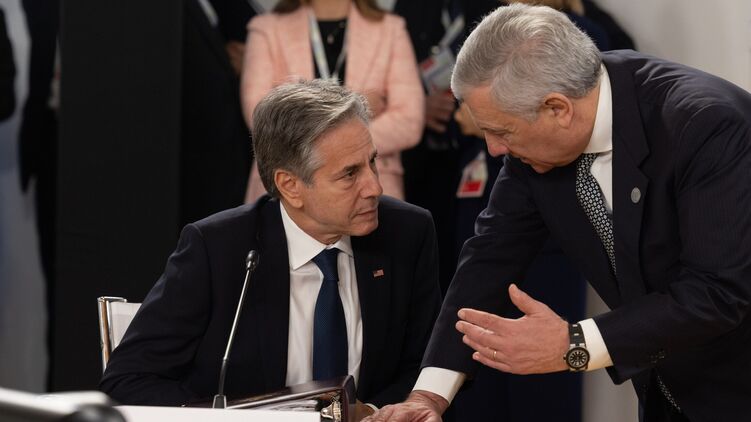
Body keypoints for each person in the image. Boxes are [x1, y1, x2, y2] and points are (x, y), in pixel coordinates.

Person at [365, 4, 751, 422]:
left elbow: (716, 291)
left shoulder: (706, 124)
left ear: (557, 109)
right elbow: (489, 258)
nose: (494, 149)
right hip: (667, 390)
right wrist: (428, 396)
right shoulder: (535, 140)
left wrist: (574, 343)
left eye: (500, 131)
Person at [100, 80, 441, 415]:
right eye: (349, 174)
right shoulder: (218, 250)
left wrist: (374, 411)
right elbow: (128, 380)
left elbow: (426, 364)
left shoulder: (406, 233)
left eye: (372, 162)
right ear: (290, 186)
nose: (374, 187)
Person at [241, 0, 424, 202]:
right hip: (289, 188)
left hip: (372, 186)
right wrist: (360, 106)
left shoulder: (391, 28)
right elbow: (261, 118)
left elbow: (409, 122)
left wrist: (308, 124)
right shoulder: (266, 28)